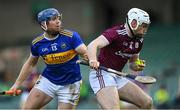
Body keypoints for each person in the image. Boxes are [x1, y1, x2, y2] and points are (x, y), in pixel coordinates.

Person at [9, 8, 87, 109]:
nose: (58, 21)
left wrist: (90, 58)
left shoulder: (71, 37)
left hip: (70, 84)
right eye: (54, 19)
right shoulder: (37, 43)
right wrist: (16, 85)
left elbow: (85, 52)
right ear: (44, 24)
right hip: (48, 81)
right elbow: (30, 64)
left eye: (59, 18)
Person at [87, 8, 153, 109]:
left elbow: (132, 63)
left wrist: (136, 66)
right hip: (102, 74)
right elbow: (92, 45)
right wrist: (93, 60)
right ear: (133, 23)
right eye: (143, 25)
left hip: (117, 76)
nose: (145, 29)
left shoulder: (139, 41)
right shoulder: (116, 33)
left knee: (147, 102)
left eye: (146, 26)